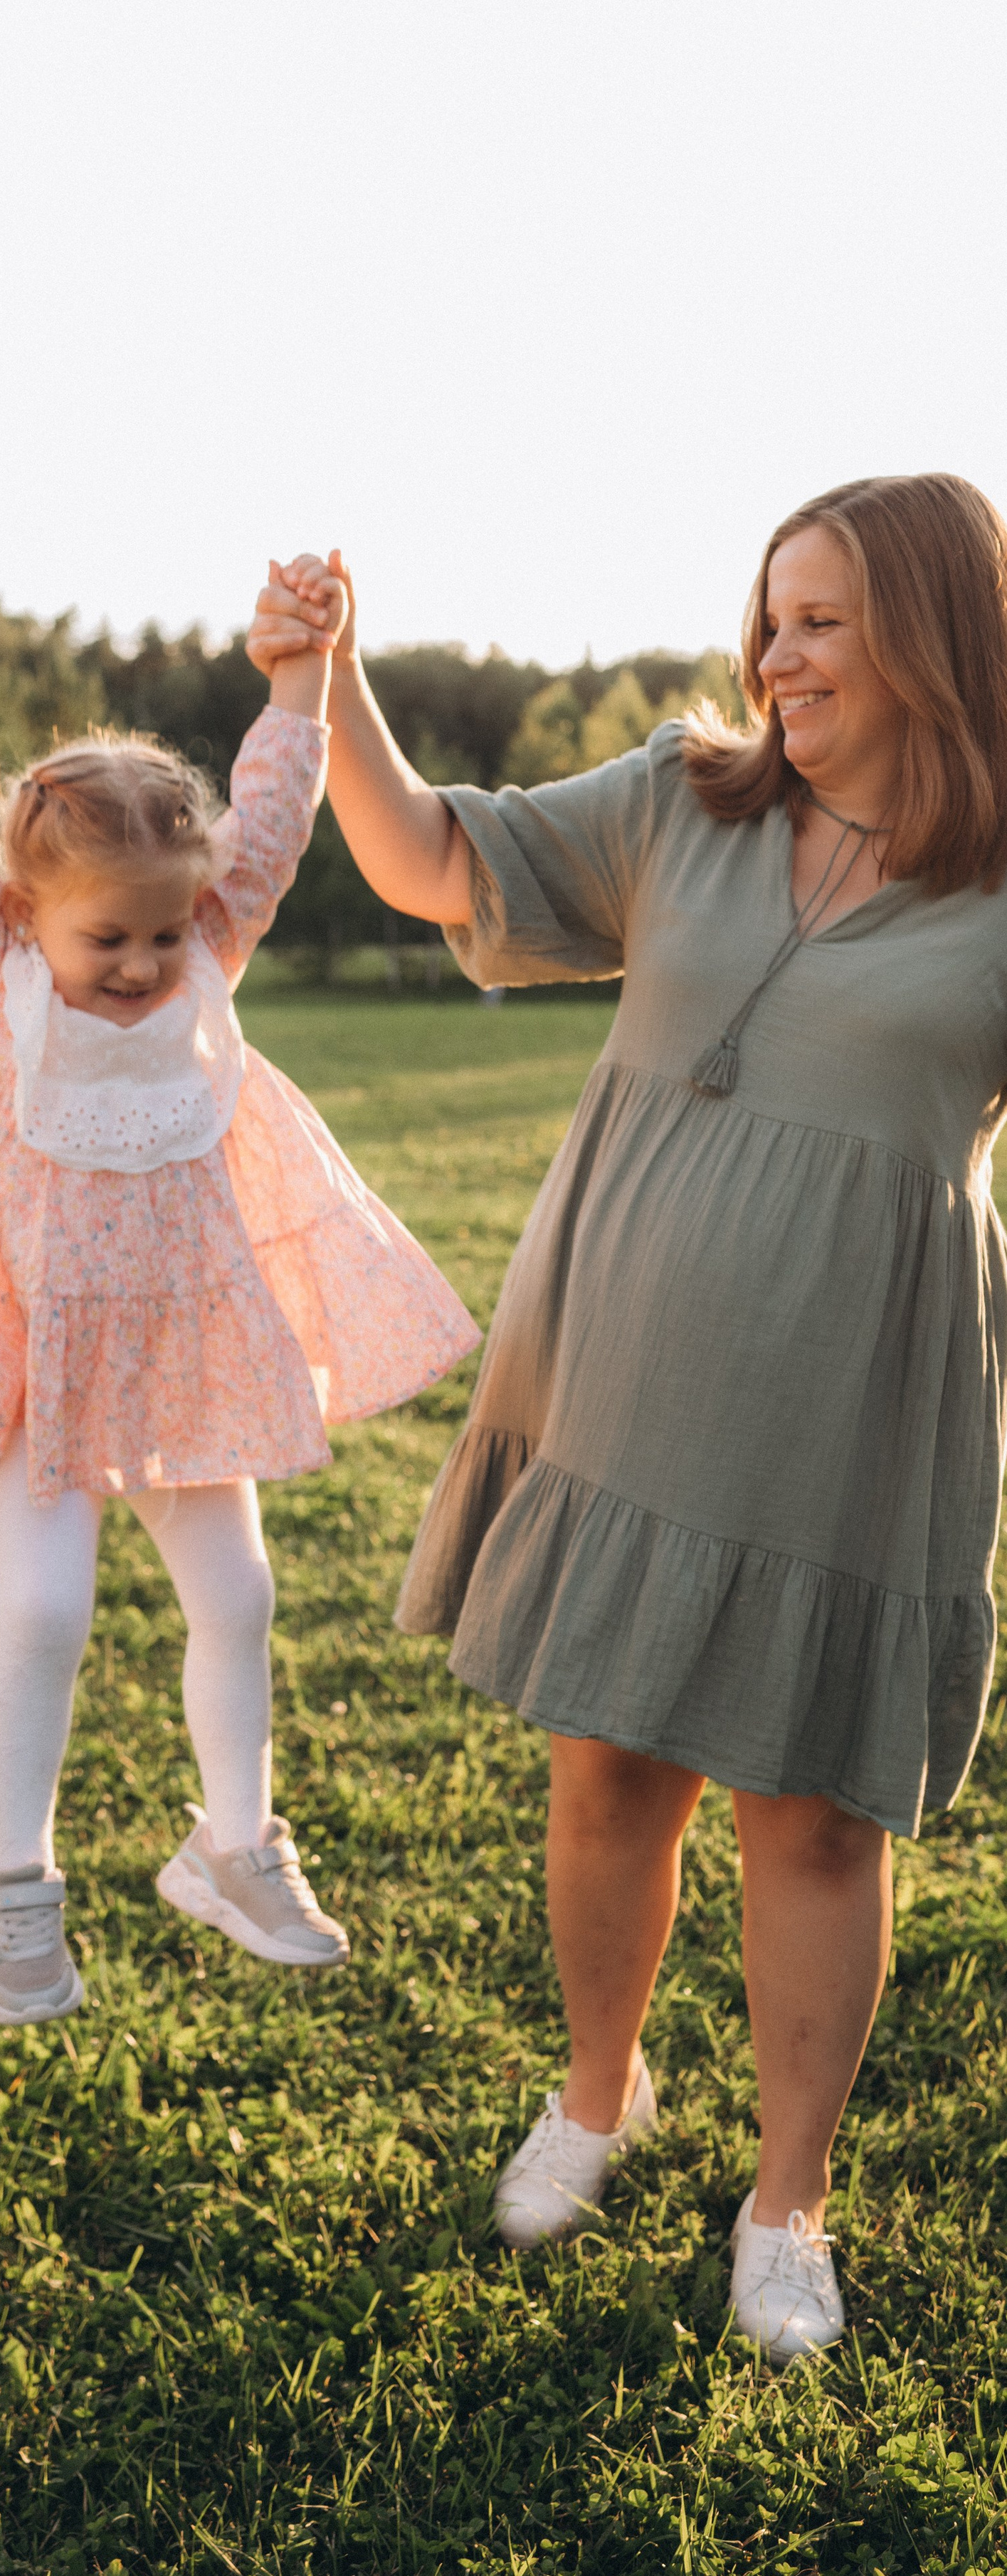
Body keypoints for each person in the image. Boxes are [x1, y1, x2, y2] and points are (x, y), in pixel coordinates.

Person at [250, 476, 1007, 2363]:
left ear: (936, 627)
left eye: (824, 616)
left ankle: (790, 2200)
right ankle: (600, 2091)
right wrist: (331, 681)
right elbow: (435, 859)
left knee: (814, 1819)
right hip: (622, 1371)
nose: (778, 651)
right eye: (772, 614)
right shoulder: (686, 798)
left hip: (849, 1406)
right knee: (607, 1770)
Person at [0, 546, 480, 2025]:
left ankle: (231, 1844)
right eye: (103, 935)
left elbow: (269, 820)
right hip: (36, 1361)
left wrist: (304, 664)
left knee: (237, 1593)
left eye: (161, 933)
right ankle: (16, 1896)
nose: (137, 963)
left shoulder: (206, 955)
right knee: (43, 1611)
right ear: (22, 907)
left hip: (188, 1348)